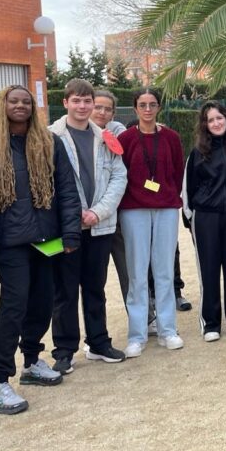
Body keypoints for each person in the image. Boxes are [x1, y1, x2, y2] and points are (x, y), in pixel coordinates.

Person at [0, 85, 81, 414]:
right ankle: (0, 381)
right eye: (13, 101)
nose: (20, 105)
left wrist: (70, 234)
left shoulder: (50, 142)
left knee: (43, 301)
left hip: (46, 238)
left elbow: (67, 190)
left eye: (26, 101)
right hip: (10, 242)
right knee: (14, 306)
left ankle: (32, 361)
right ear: (1, 105)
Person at [49, 79, 128, 374]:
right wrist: (73, 214)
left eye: (87, 101)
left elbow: (119, 177)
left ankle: (98, 342)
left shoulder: (105, 138)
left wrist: (97, 212)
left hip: (99, 227)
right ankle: (64, 350)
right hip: (66, 229)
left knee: (95, 288)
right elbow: (45, 182)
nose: (82, 106)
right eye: (76, 100)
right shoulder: (50, 137)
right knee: (65, 291)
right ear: (65, 103)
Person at [118, 88, 186, 357]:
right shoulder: (125, 139)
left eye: (152, 104)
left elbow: (177, 171)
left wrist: (168, 194)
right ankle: (137, 335)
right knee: (136, 272)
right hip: (134, 209)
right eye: (143, 104)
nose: (148, 109)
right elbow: (120, 173)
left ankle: (168, 330)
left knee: (164, 271)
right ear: (135, 108)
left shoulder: (171, 137)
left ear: (159, 107)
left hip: (166, 208)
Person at [185, 101, 226, 341]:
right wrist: (190, 219)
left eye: (219, 118)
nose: (216, 123)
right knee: (209, 270)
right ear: (205, 124)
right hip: (206, 217)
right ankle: (210, 323)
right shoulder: (197, 152)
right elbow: (189, 188)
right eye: (210, 120)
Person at [91, 89, 130, 306]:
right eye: (98, 107)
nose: (102, 112)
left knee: (129, 272)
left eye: (107, 109)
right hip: (87, 220)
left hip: (116, 216)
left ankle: (145, 318)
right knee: (94, 280)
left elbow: (119, 177)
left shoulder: (117, 135)